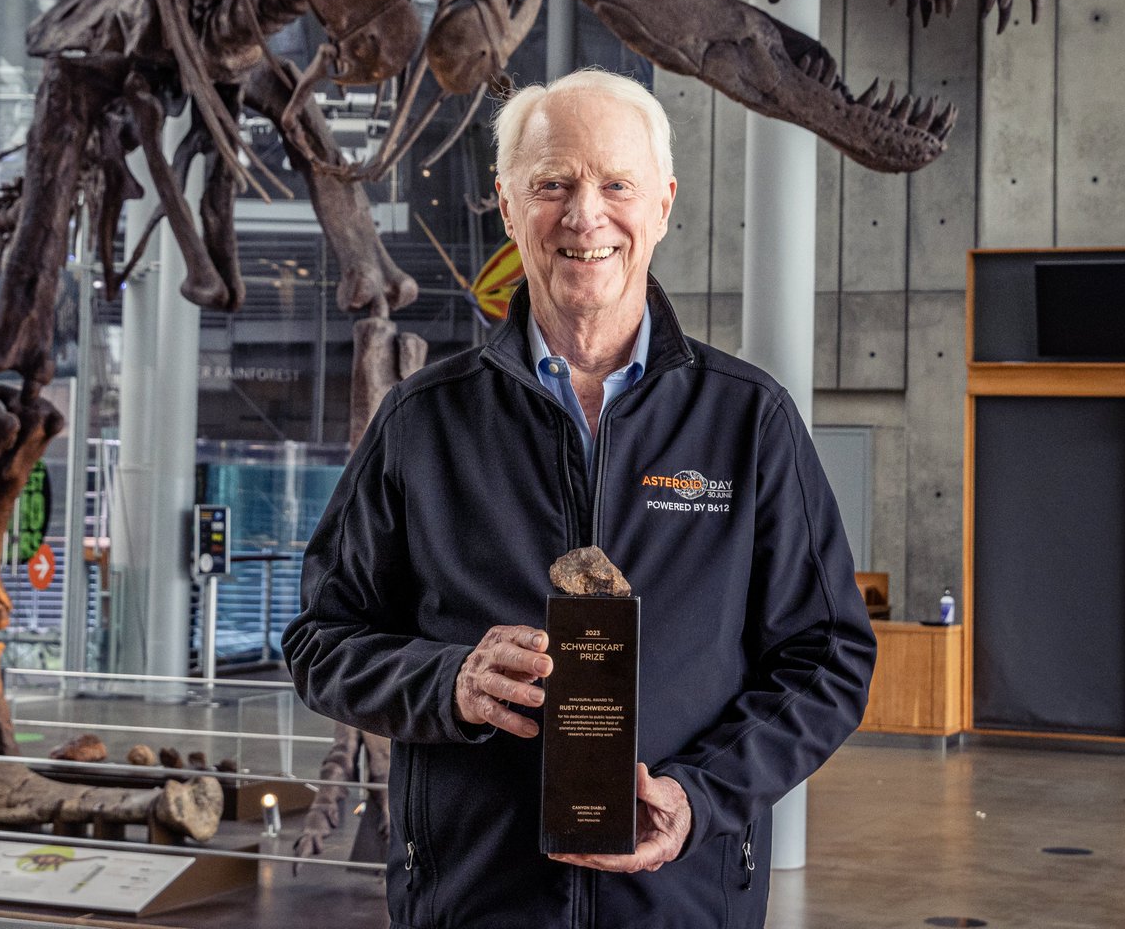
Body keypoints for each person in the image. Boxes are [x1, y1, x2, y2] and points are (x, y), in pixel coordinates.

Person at [283, 68, 876, 929]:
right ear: (507, 202)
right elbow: (319, 641)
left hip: (682, 904)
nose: (584, 215)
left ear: (664, 204)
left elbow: (827, 659)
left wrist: (701, 796)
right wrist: (451, 682)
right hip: (474, 902)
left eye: (616, 184)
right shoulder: (422, 422)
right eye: (552, 184)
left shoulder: (748, 422)